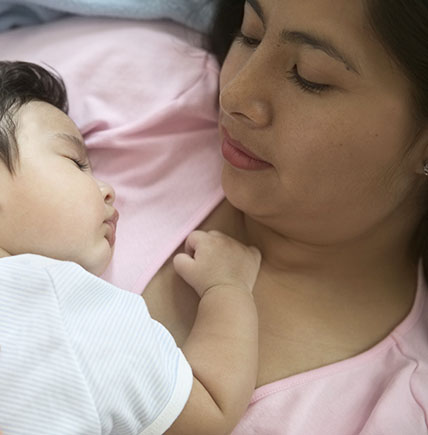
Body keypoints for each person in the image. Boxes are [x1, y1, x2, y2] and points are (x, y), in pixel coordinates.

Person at [141, 0, 428, 433]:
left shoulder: (392, 413)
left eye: (309, 77)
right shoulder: (143, 99)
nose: (235, 95)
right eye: (250, 34)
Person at [0, 61, 261, 435]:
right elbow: (210, 409)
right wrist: (228, 289)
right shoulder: (62, 305)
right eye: (76, 163)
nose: (108, 189)